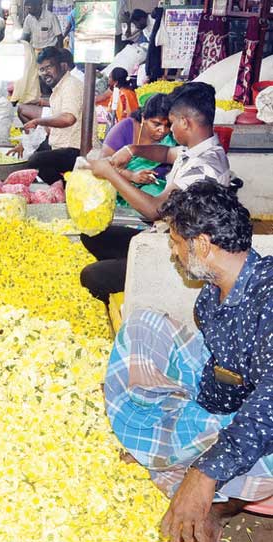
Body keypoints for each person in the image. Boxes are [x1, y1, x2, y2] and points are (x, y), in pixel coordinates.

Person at [105, 182, 273, 542]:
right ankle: (175, 451)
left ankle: (220, 504)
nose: (172, 252)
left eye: (175, 242)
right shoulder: (211, 298)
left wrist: (203, 474)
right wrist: (195, 435)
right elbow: (222, 382)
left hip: (267, 418)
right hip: (240, 404)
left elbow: (267, 410)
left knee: (252, 452)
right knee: (142, 328)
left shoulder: (269, 296)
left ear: (201, 245)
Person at [83, 82, 231, 303]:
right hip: (166, 235)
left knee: (91, 275)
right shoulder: (197, 149)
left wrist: (110, 173)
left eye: (171, 123)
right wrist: (131, 150)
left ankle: (141, 291)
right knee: (93, 234)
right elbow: (166, 154)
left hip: (180, 254)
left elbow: (155, 209)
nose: (169, 130)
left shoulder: (203, 167)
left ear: (185, 122)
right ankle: (127, 269)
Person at [10, 47, 88, 184]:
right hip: (60, 143)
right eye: (42, 69)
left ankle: (67, 188)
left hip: (76, 148)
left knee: (36, 160)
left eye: (49, 67)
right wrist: (25, 144)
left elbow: (68, 118)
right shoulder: (58, 89)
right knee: (32, 156)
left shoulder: (71, 86)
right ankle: (63, 187)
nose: (45, 73)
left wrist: (38, 121)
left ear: (62, 66)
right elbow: (52, 125)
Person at [100, 93, 175, 206]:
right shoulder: (125, 128)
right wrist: (131, 176)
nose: (162, 130)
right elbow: (102, 167)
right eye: (156, 124)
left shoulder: (173, 138)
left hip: (155, 200)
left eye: (168, 125)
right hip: (117, 195)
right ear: (144, 117)